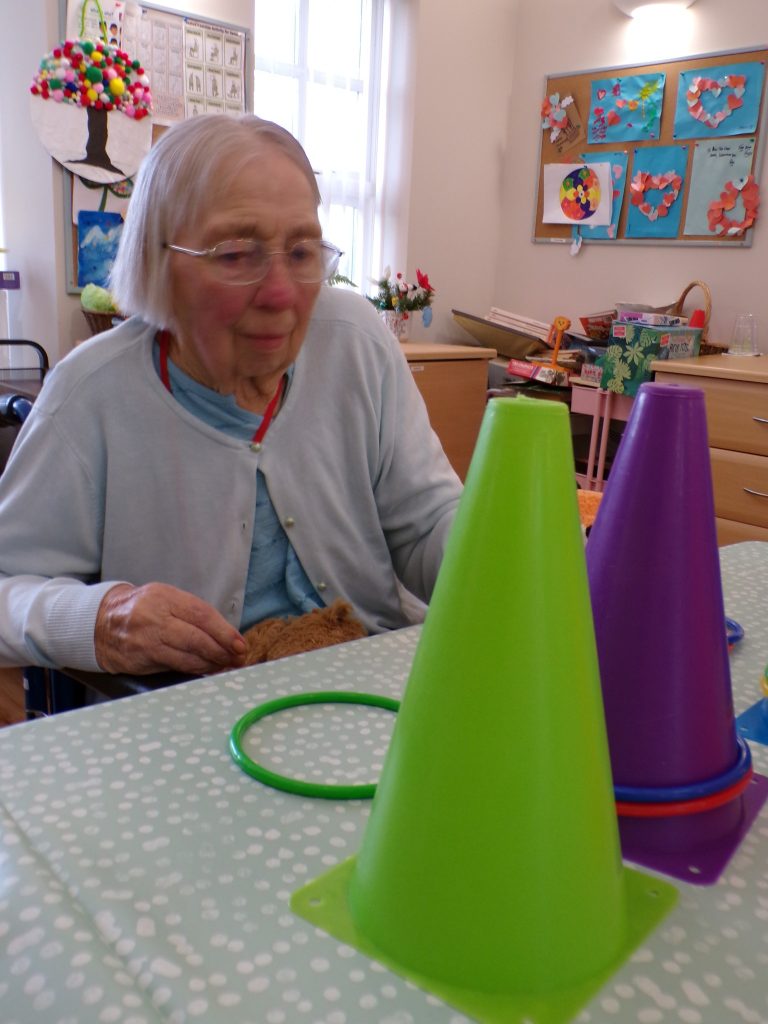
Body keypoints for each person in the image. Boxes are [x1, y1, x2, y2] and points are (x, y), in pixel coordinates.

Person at [0, 114, 462, 680]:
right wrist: (100, 619)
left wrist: (496, 545)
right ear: (159, 262)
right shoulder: (89, 395)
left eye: (301, 251)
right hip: (185, 720)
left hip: (369, 689)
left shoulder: (357, 343)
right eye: (235, 254)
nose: (280, 293)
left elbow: (427, 525)